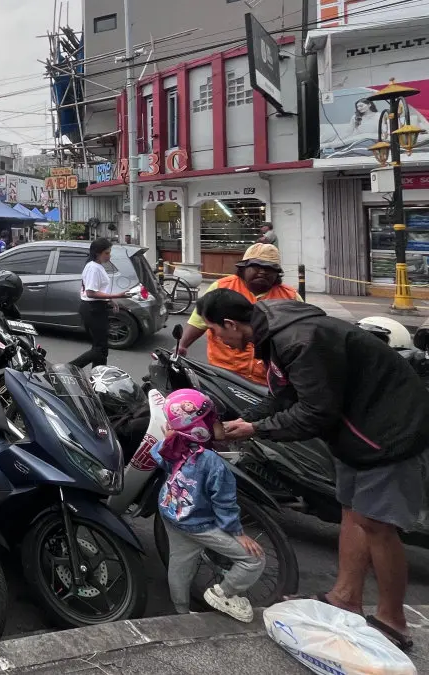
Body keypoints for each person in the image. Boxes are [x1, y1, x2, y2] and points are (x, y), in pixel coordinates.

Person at [203, 290, 429, 650]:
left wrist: (258, 430)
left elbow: (315, 411)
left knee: (378, 525)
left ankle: (393, 621)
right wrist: (249, 418)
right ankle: (345, 598)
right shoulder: (276, 332)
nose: (217, 339)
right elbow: (287, 394)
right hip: (356, 432)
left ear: (231, 324)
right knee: (353, 514)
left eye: (215, 331)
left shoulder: (298, 339)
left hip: (387, 432)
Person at [151, 388, 265, 621]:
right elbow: (224, 502)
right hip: (197, 523)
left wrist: (169, 439)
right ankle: (223, 593)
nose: (220, 424)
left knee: (180, 562)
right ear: (199, 429)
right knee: (254, 559)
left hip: (171, 511)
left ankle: (181, 613)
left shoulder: (172, 446)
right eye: (213, 419)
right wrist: (237, 533)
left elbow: (158, 455)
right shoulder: (213, 462)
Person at [178, 243, 300, 384]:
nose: (263, 272)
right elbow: (198, 322)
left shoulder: (290, 297)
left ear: (277, 273)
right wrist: (182, 345)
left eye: (269, 268)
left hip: (268, 381)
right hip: (225, 374)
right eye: (256, 266)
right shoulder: (221, 287)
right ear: (243, 268)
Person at [70, 238, 130, 369]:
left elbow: (100, 290)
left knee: (101, 349)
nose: (109, 256)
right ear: (98, 253)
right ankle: (70, 367)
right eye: (106, 253)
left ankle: (97, 378)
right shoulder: (93, 268)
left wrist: (110, 300)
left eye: (109, 253)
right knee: (100, 349)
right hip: (92, 309)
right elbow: (91, 292)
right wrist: (117, 295)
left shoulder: (98, 266)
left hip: (97, 308)